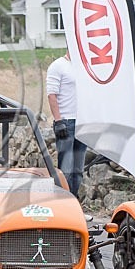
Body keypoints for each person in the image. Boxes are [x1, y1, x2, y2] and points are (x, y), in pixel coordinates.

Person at [46, 50, 87, 198]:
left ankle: (74, 205)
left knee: (78, 170)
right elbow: (52, 95)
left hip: (83, 122)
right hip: (66, 122)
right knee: (66, 170)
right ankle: (61, 204)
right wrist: (58, 121)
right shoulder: (58, 66)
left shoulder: (83, 66)